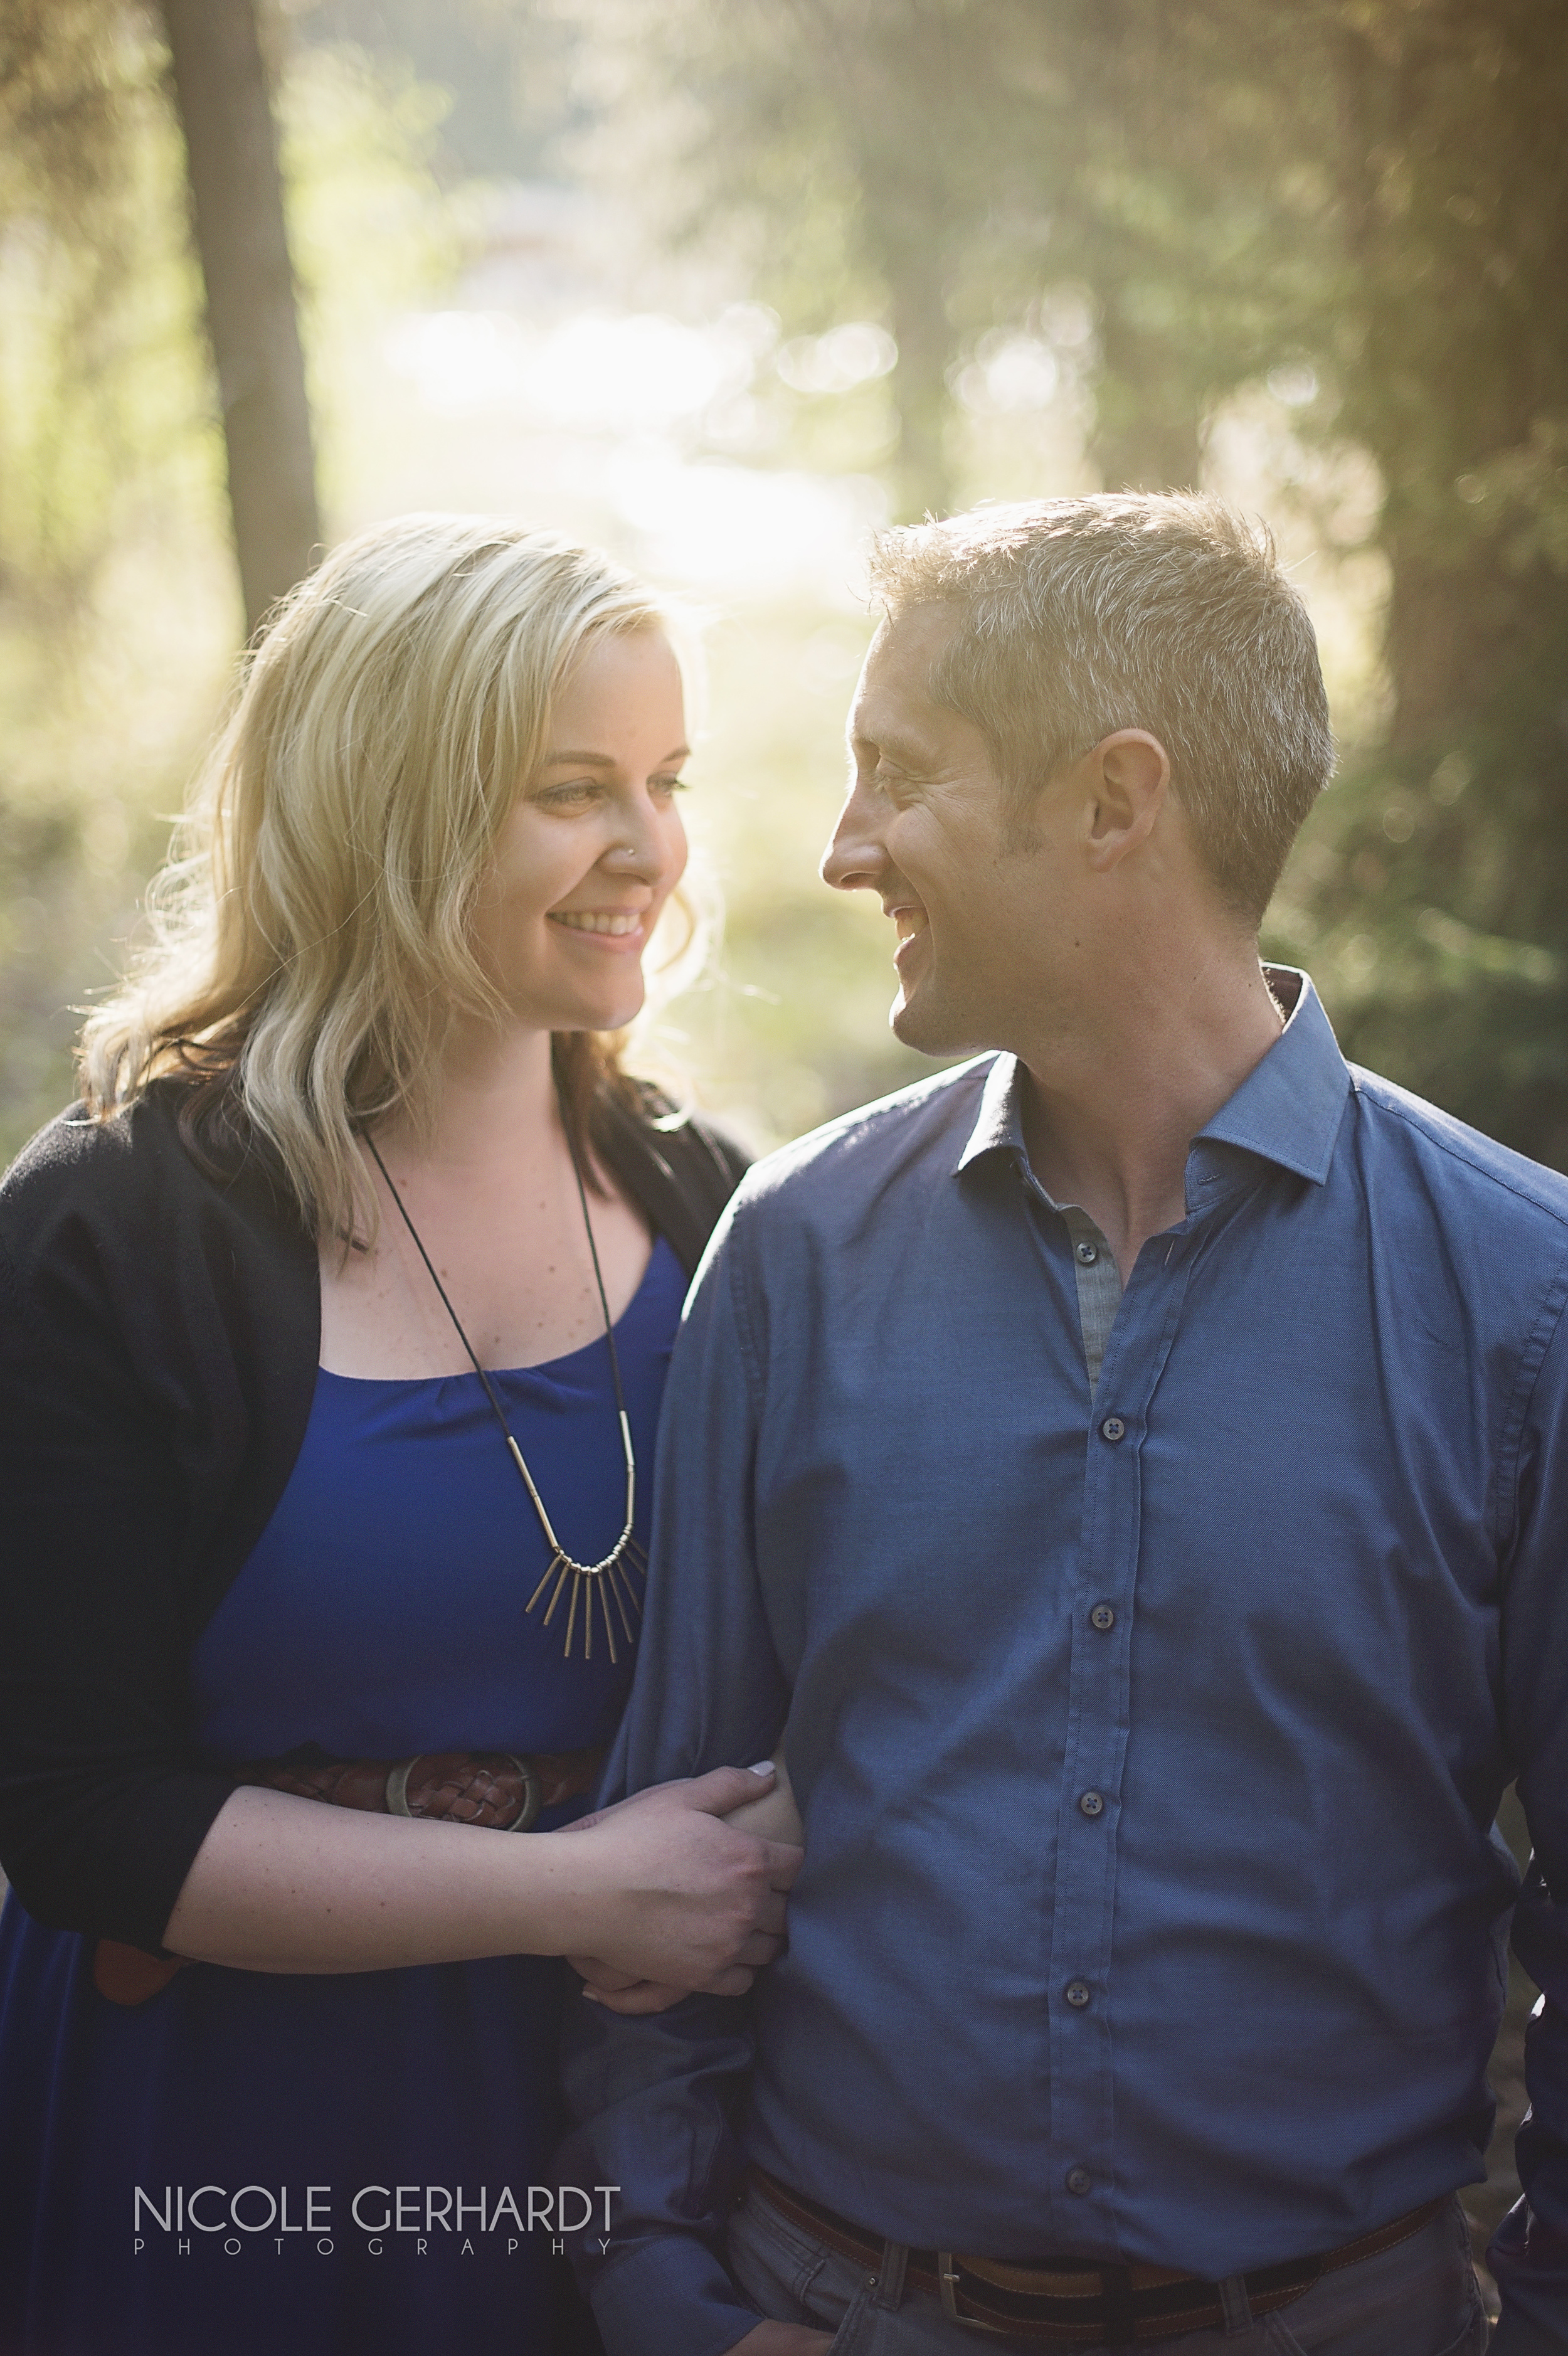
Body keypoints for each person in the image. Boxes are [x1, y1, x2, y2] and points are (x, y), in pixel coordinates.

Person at [561, 491, 1568, 2356]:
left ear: (1115, 803)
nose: (843, 846)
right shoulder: (792, 1253)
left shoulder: (1523, 1297)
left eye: (898, 774)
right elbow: (668, 1841)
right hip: (829, 2307)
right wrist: (661, 2293)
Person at [0, 512, 802, 2356]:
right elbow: (72, 1813)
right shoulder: (110, 1231)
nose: (648, 849)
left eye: (664, 782)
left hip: (626, 2124)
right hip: (214, 2131)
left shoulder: (715, 1205)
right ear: (393, 809)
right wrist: (573, 1885)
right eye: (570, 790)